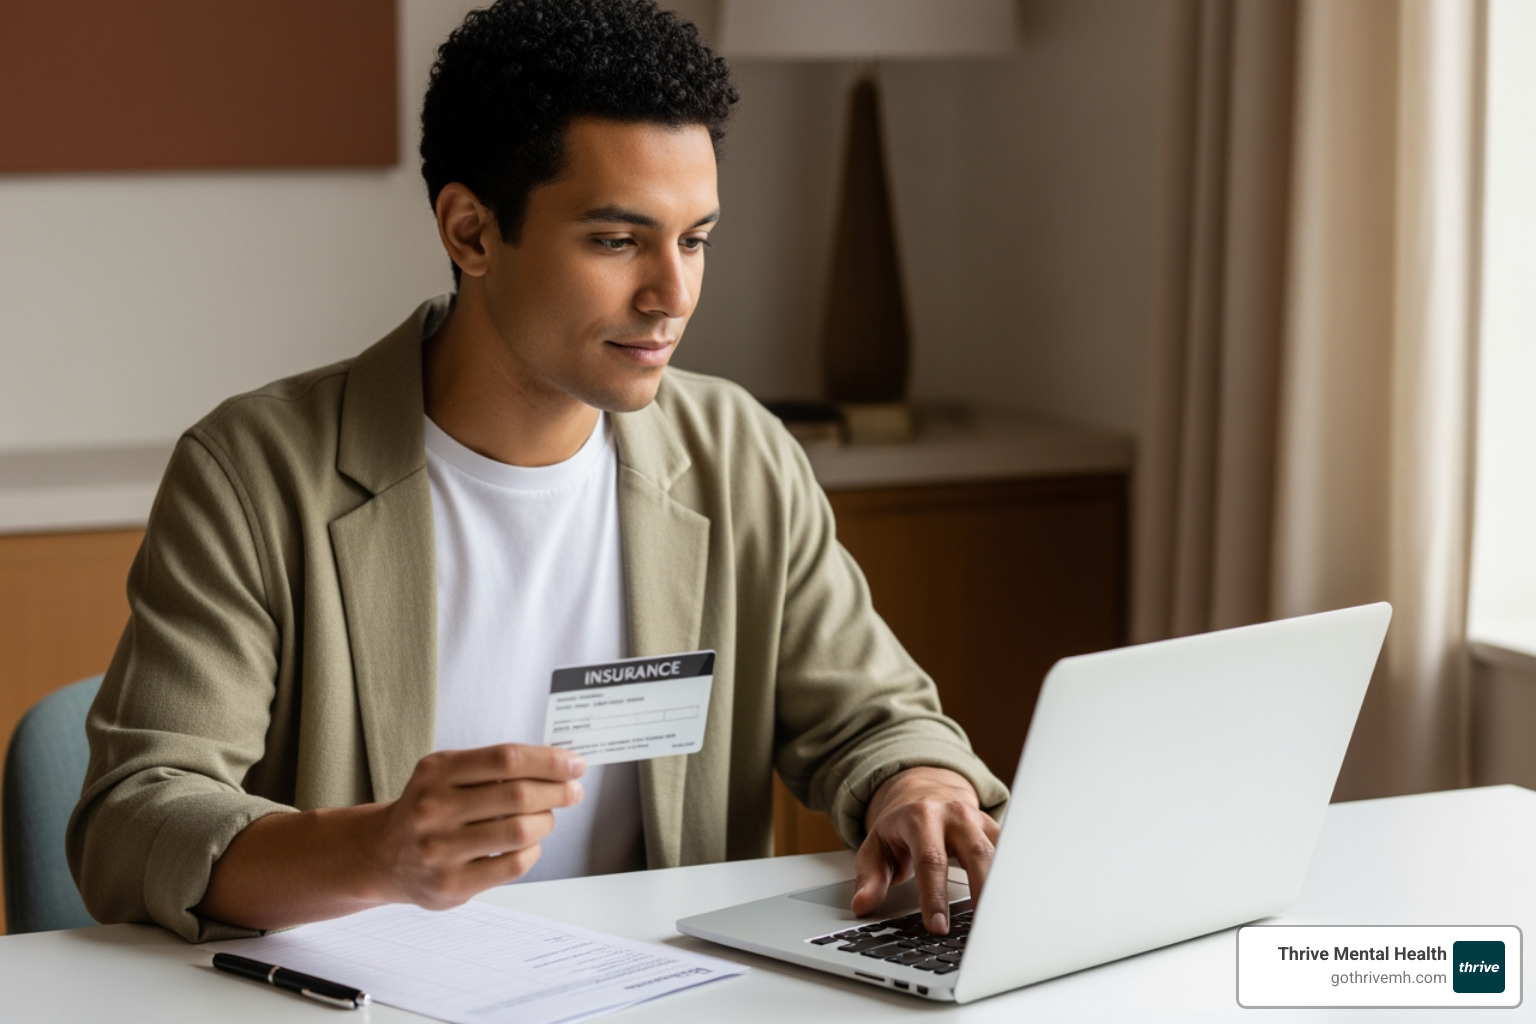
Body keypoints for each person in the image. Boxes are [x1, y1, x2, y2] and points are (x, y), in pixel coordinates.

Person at [67, 0, 1008, 944]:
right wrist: (373, 853)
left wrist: (916, 785)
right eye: (616, 241)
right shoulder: (257, 475)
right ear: (471, 233)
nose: (671, 296)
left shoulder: (739, 454)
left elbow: (875, 719)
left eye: (695, 240)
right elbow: (134, 817)